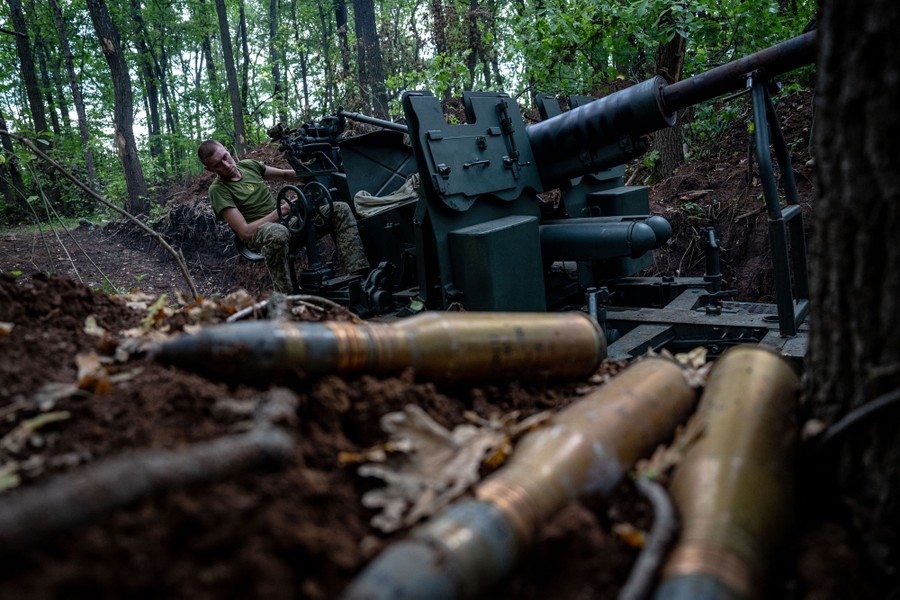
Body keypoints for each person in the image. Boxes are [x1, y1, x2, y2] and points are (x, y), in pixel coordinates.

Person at [197, 140, 369, 293]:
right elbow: (245, 232)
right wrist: (282, 211)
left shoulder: (249, 166)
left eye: (225, 157)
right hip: (260, 233)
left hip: (287, 222)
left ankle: (359, 276)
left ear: (228, 150)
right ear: (209, 169)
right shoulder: (218, 190)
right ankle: (286, 297)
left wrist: (313, 174)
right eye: (218, 165)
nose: (226, 165)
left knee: (339, 209)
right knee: (277, 232)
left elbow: (284, 175)